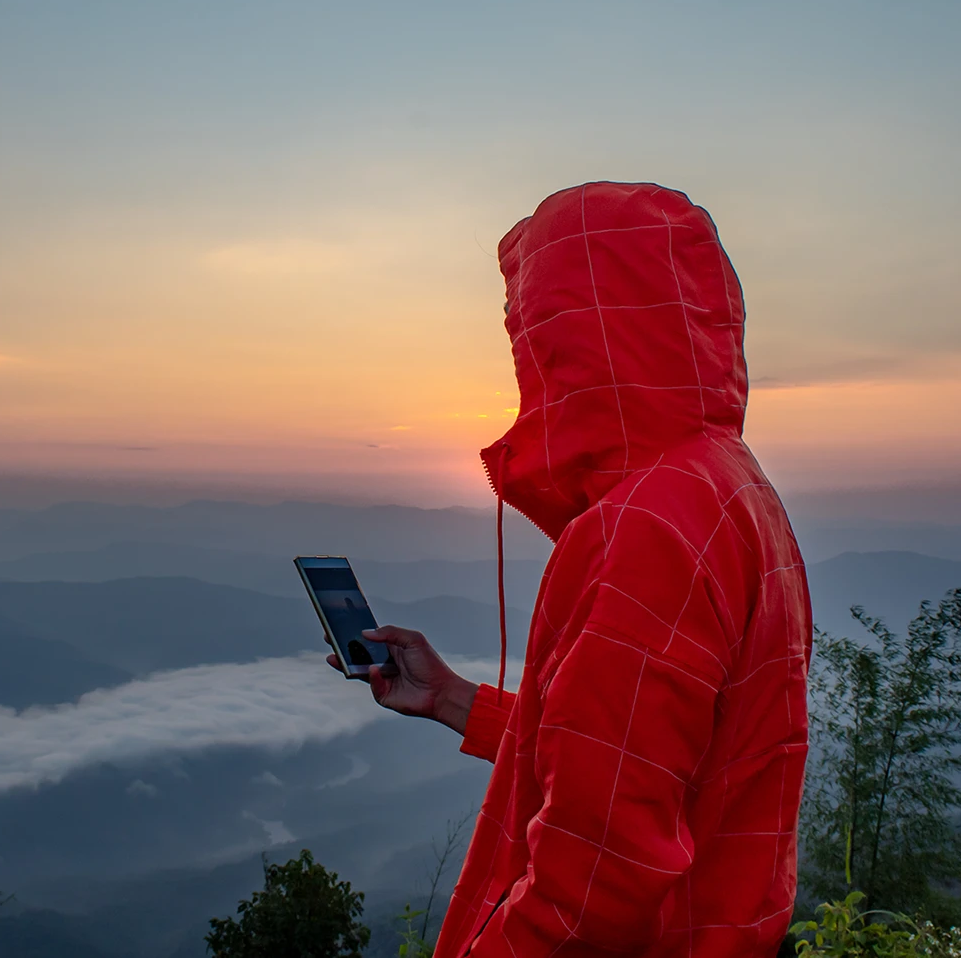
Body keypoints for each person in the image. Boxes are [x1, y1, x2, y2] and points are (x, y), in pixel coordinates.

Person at [328, 182, 812, 957]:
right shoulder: (731, 485)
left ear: (577, 336)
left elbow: (592, 894)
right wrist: (455, 699)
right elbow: (635, 760)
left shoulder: (649, 527)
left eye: (535, 336)